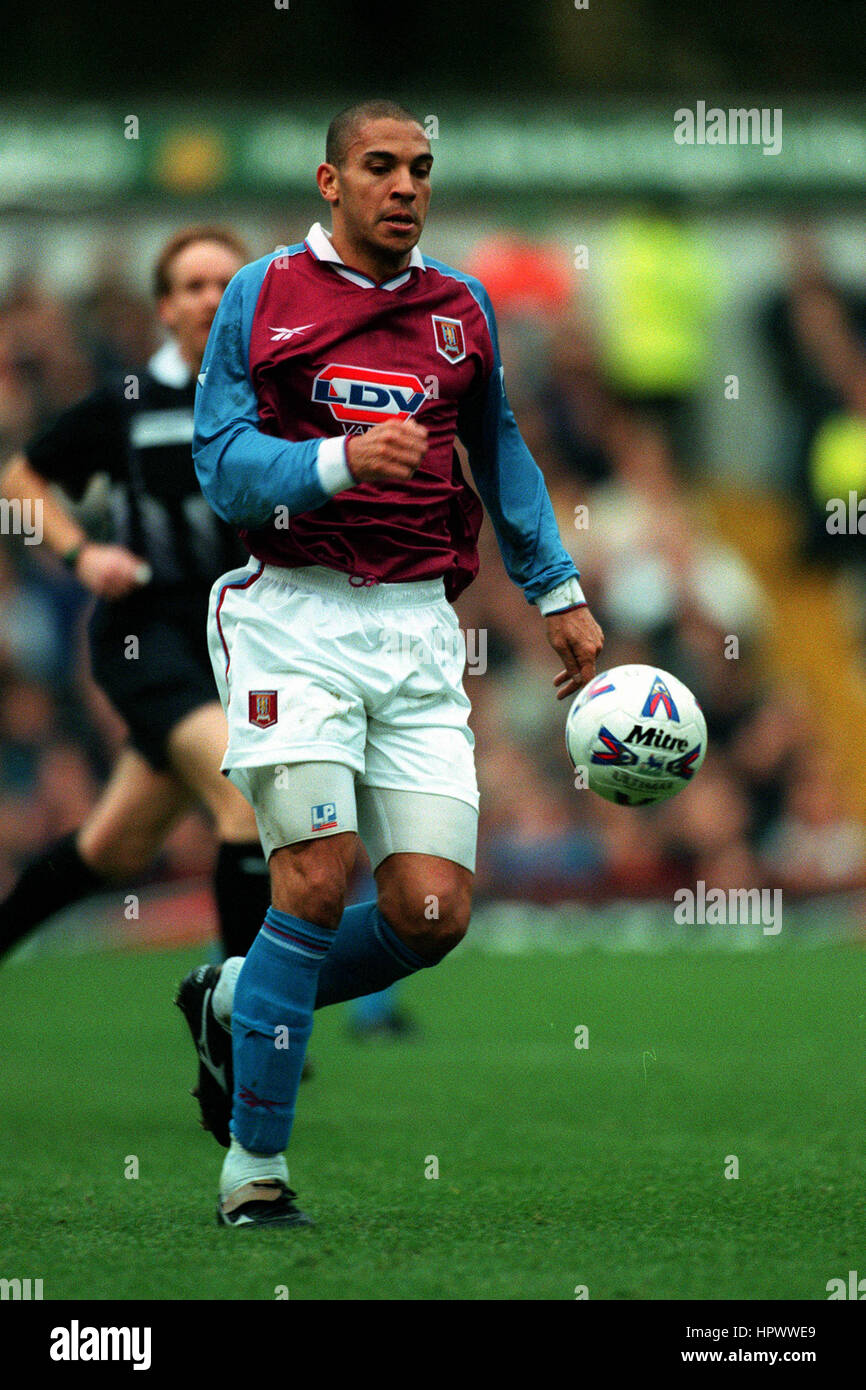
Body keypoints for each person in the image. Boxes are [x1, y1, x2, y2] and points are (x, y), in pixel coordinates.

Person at [181, 99, 604, 1229]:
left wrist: (554, 589)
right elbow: (220, 463)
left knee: (429, 913)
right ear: (330, 182)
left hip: (418, 626)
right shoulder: (261, 295)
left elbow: (499, 448)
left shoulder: (459, 309)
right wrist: (336, 462)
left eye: (420, 167)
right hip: (291, 617)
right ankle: (254, 1172)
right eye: (379, 167)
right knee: (314, 881)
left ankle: (235, 995)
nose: (405, 185)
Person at [0, 227, 273, 971]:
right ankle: (244, 1027)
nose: (212, 298)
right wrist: (81, 554)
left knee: (110, 847)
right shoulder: (130, 398)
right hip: (148, 635)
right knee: (245, 798)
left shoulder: (272, 397)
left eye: (227, 283)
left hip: (243, 645)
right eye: (193, 285)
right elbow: (18, 480)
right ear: (163, 306)